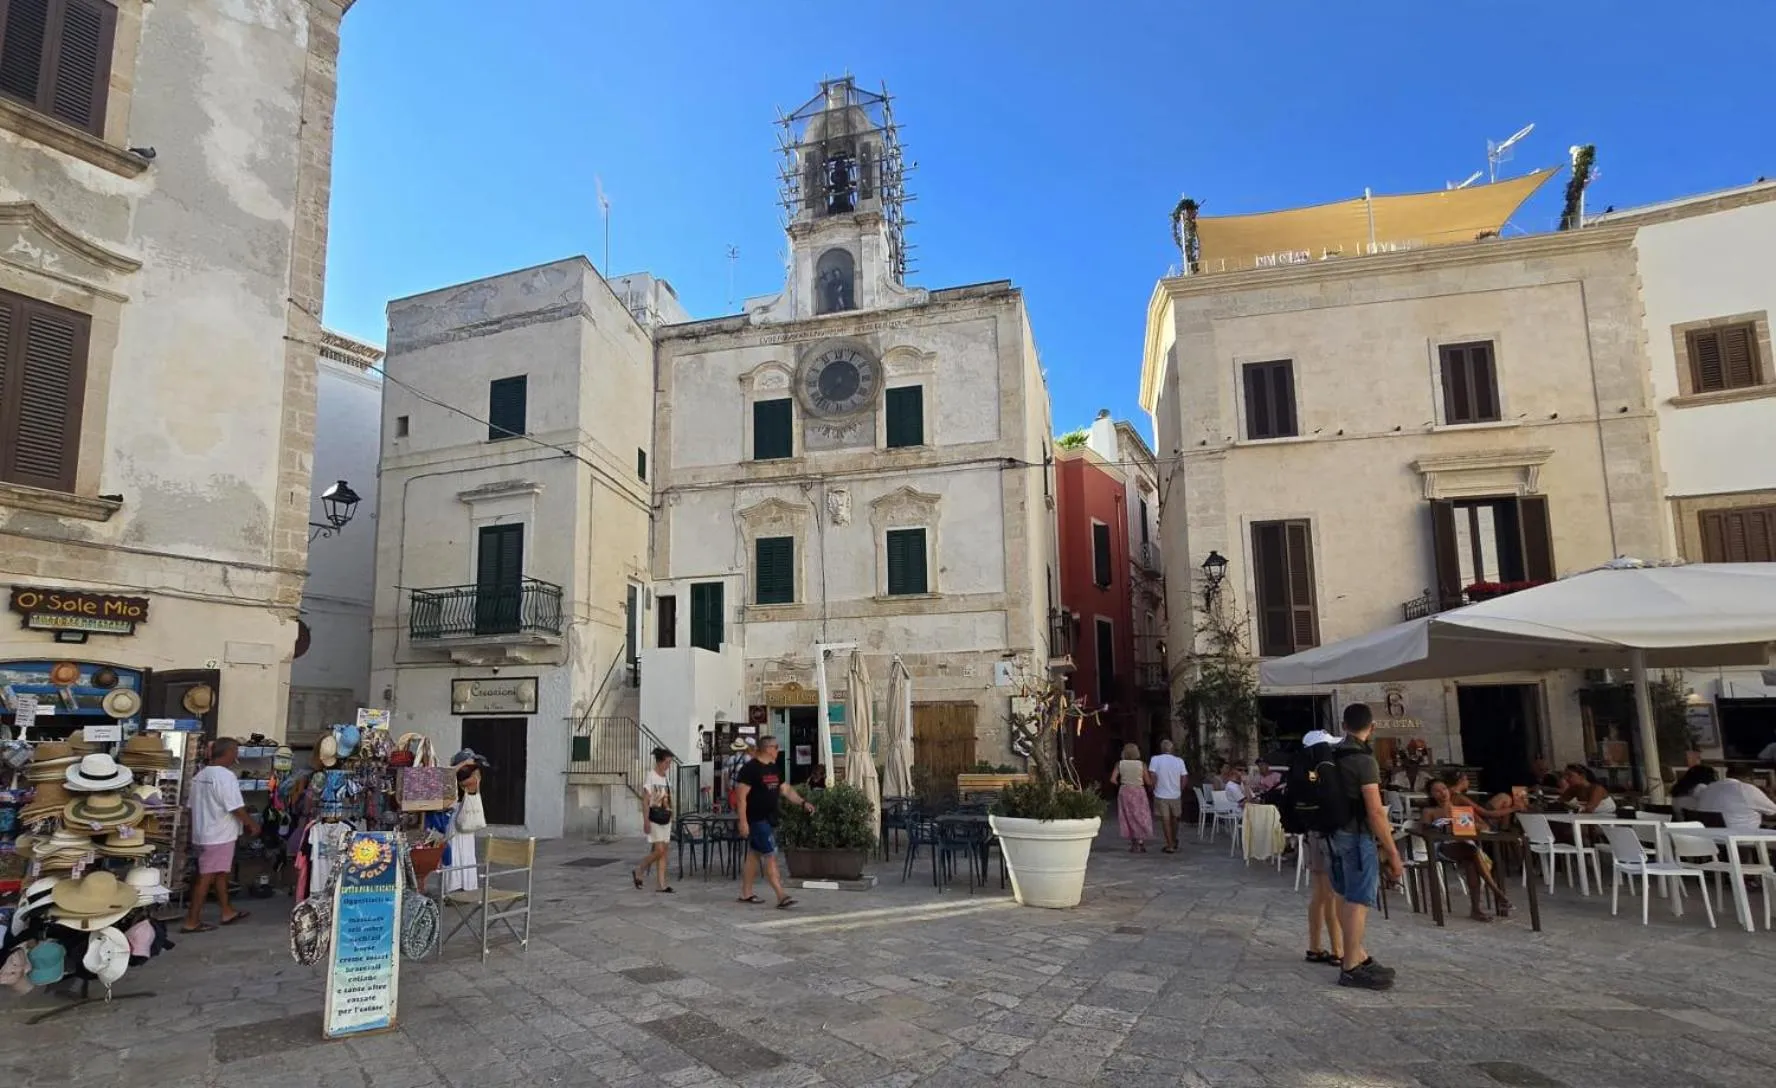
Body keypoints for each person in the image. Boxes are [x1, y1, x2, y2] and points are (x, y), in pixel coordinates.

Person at [1328, 704, 1403, 990]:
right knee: (1358, 901)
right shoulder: (1364, 760)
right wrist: (1393, 852)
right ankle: (1350, 967)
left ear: (1344, 726)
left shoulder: (1331, 755)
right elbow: (1374, 810)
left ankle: (1358, 954)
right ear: (1371, 728)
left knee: (1346, 897)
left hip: (1331, 834)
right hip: (1356, 835)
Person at [183, 738, 260, 932]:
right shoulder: (225, 777)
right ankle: (192, 921)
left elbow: (191, 808)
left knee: (219, 873)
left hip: (204, 832)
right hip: (219, 834)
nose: (237, 756)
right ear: (228, 753)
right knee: (206, 876)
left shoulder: (200, 775)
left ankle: (227, 910)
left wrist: (192, 833)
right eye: (235, 752)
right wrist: (251, 824)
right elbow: (235, 807)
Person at [735, 737, 815, 909]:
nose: (778, 750)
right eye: (776, 747)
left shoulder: (774, 768)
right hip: (756, 819)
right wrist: (743, 822)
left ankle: (746, 893)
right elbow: (741, 797)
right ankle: (781, 895)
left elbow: (785, 789)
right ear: (768, 748)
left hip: (770, 818)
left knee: (754, 855)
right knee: (771, 855)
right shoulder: (750, 769)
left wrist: (802, 802)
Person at [1424, 774, 1513, 922]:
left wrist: (1464, 824)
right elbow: (1425, 831)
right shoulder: (1430, 811)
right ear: (1431, 795)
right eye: (1437, 791)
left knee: (1471, 861)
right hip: (1442, 846)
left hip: (1464, 845)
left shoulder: (1460, 810)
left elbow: (1484, 825)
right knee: (1472, 851)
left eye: (1444, 788)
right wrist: (1444, 829)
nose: (1442, 793)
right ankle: (1497, 893)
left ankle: (1476, 910)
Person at [1294, 724, 1343, 967]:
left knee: (1320, 894)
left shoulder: (1305, 772)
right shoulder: (1320, 773)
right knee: (1329, 894)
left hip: (1312, 833)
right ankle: (1337, 949)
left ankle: (1315, 946)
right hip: (1324, 835)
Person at [632, 747, 675, 893]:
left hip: (666, 816)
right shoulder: (651, 776)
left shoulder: (666, 778)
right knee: (659, 850)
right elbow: (645, 800)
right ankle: (640, 868)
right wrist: (645, 820)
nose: (668, 766)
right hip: (655, 817)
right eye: (666, 763)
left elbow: (668, 797)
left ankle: (661, 884)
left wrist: (672, 814)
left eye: (669, 763)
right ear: (660, 762)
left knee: (664, 851)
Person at [1693, 771, 1776, 831]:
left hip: (1711, 839)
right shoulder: (1747, 788)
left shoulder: (1709, 787)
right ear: (1748, 778)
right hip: (1743, 839)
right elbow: (1773, 812)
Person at [1110, 743, 1155, 853]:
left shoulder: (1119, 764)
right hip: (1138, 791)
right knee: (1140, 815)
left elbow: (1112, 779)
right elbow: (1148, 781)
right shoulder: (1141, 765)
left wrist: (1122, 783)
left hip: (1125, 790)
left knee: (1128, 816)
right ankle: (1141, 840)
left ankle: (1134, 842)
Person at [1147, 739, 1188, 853]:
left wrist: (1152, 787)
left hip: (1161, 794)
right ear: (1172, 749)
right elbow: (1184, 777)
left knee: (1165, 820)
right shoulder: (1179, 761)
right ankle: (1173, 840)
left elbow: (1153, 775)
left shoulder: (1155, 760)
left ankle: (1170, 844)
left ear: (1161, 748)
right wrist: (1180, 789)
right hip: (1175, 794)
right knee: (1175, 818)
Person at [724, 740, 753, 813]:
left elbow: (726, 773)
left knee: (733, 809)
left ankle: (733, 823)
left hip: (732, 787)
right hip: (743, 788)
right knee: (743, 809)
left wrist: (727, 785)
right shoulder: (747, 758)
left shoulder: (730, 758)